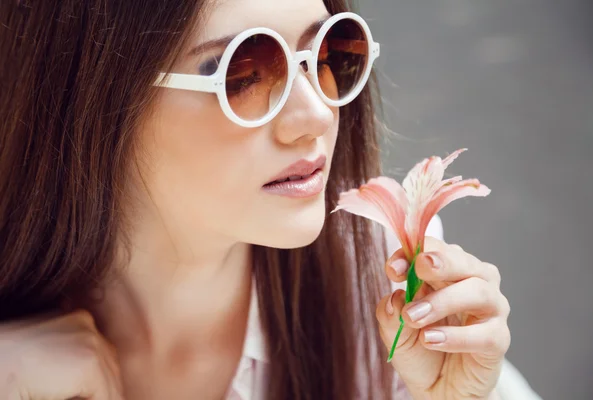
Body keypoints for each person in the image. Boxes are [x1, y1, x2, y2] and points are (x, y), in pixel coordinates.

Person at [0, 0, 539, 399]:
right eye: (241, 73)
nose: (317, 115)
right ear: (90, 101)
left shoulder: (386, 281)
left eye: (325, 50)